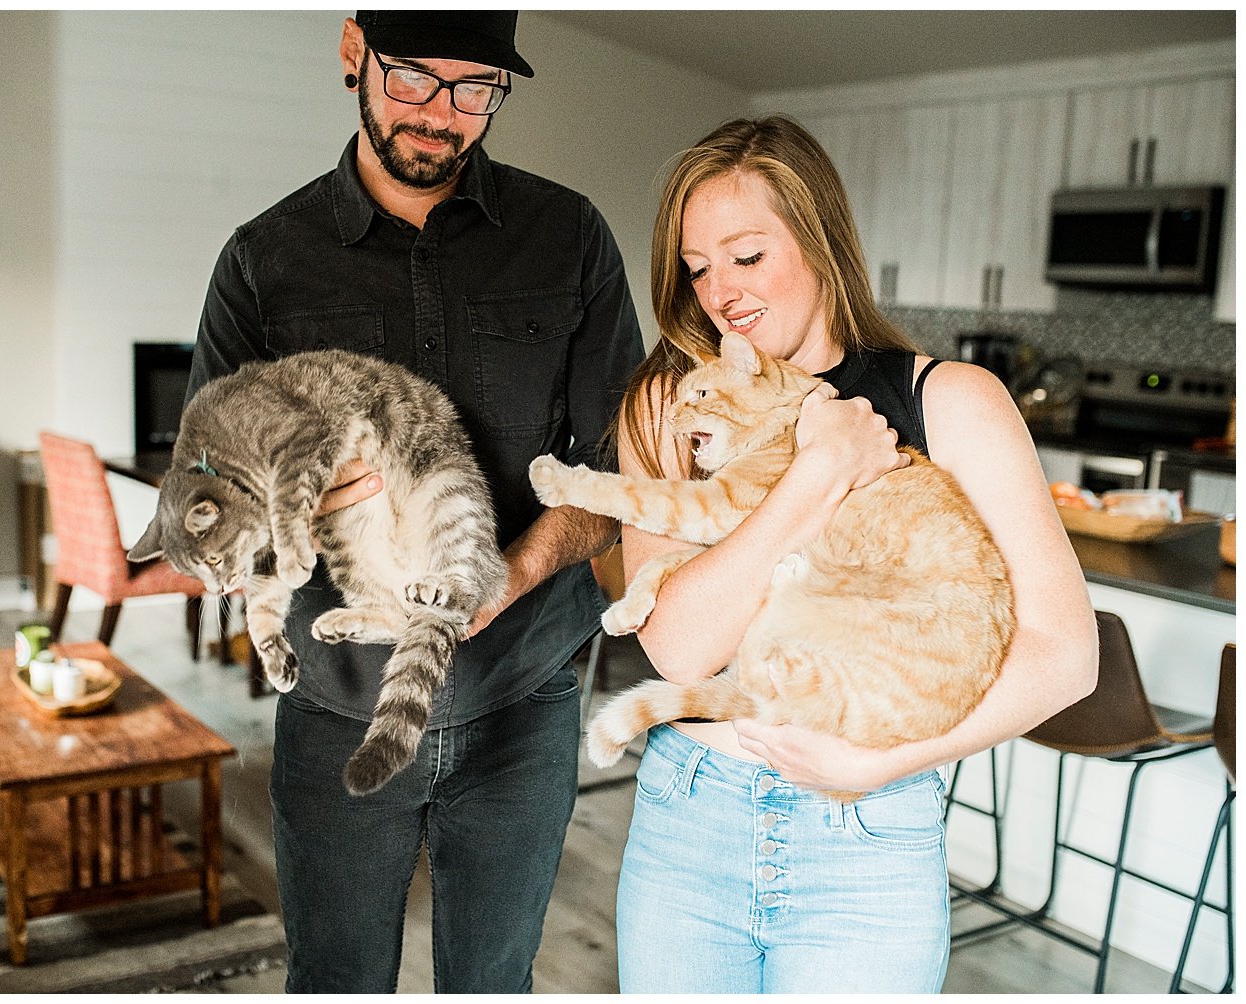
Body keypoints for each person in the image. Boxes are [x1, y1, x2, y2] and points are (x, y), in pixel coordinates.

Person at [183, 11, 645, 993]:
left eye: (474, 87)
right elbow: (213, 490)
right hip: (338, 697)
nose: (441, 113)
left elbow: (615, 472)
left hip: (525, 692)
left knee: (493, 981)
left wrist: (511, 572)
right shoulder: (264, 260)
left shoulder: (569, 238)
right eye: (412, 78)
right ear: (352, 51)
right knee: (337, 980)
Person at [608, 116, 1098, 994]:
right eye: (698, 268)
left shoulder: (951, 401)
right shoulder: (673, 407)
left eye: (747, 257)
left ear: (821, 240)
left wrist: (882, 763)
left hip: (868, 834)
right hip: (693, 819)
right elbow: (680, 647)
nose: (720, 292)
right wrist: (820, 471)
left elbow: (1066, 654)